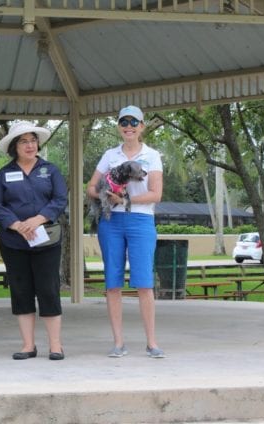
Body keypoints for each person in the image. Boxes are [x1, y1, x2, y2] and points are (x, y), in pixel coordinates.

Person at [86, 105, 166, 359]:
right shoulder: (110, 155)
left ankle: (152, 343)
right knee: (113, 282)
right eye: (124, 122)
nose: (128, 127)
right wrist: (105, 194)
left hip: (140, 221)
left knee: (144, 283)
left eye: (134, 122)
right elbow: (90, 187)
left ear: (142, 126)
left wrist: (127, 201)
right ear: (119, 126)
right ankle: (118, 343)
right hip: (111, 222)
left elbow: (156, 193)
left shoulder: (151, 155)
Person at [0, 122, 68, 360]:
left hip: (46, 242)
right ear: (15, 146)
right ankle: (28, 346)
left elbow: (60, 198)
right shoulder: (3, 174)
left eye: (33, 140)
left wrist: (38, 219)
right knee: (21, 291)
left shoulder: (50, 170)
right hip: (14, 242)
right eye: (24, 141)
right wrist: (17, 225)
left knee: (48, 290)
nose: (30, 145)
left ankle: (55, 345)